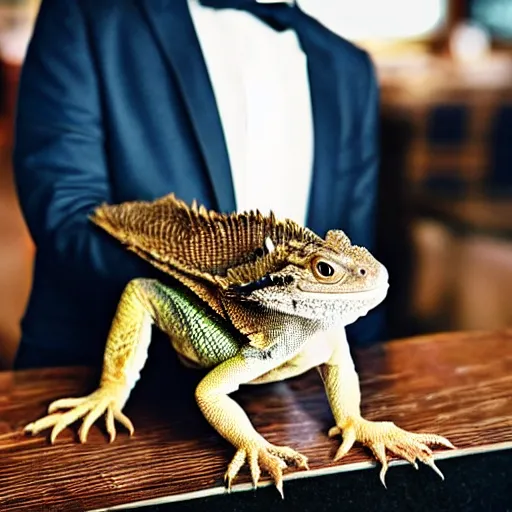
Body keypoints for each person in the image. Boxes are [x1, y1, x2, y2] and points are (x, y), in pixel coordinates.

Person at [13, 0, 384, 369]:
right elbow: (64, 209)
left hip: (299, 392)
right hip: (97, 373)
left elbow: (354, 248)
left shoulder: (350, 69)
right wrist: (220, 314)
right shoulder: (86, 13)